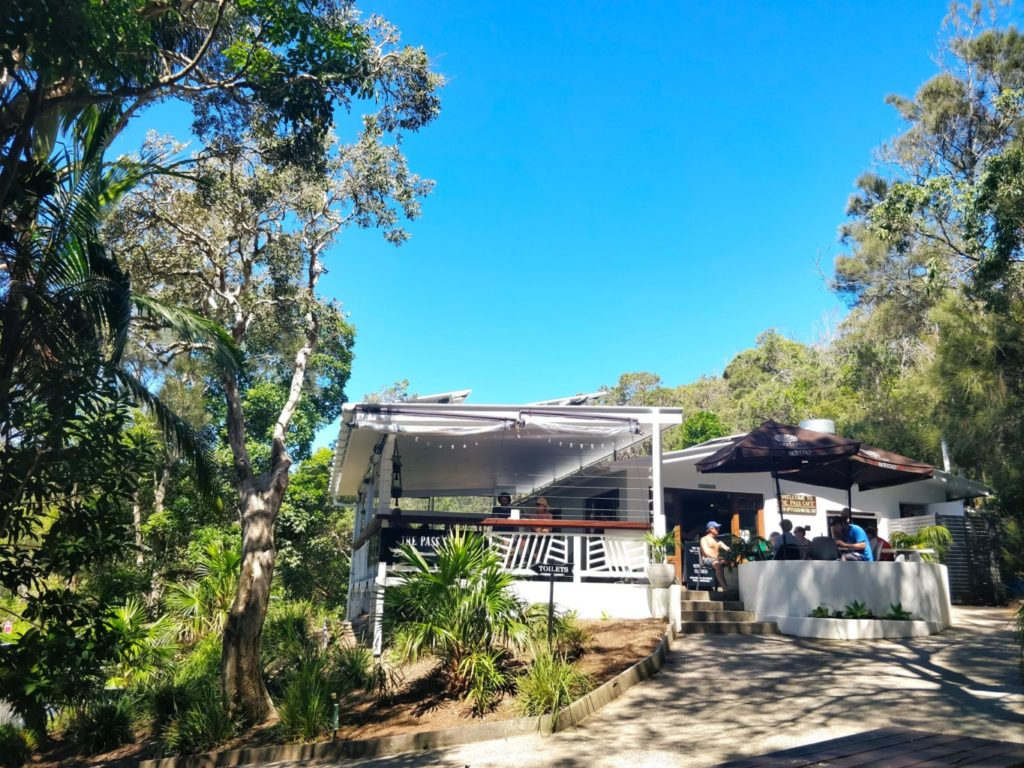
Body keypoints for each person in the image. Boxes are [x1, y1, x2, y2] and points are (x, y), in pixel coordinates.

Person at [699, 520, 731, 590]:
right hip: (706, 560)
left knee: (731, 563)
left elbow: (727, 548)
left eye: (718, 528)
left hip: (716, 559)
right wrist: (717, 558)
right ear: (710, 529)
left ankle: (732, 585)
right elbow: (706, 552)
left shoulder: (717, 541)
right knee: (718, 564)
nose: (718, 529)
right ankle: (725, 588)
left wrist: (732, 551)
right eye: (716, 528)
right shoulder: (704, 539)